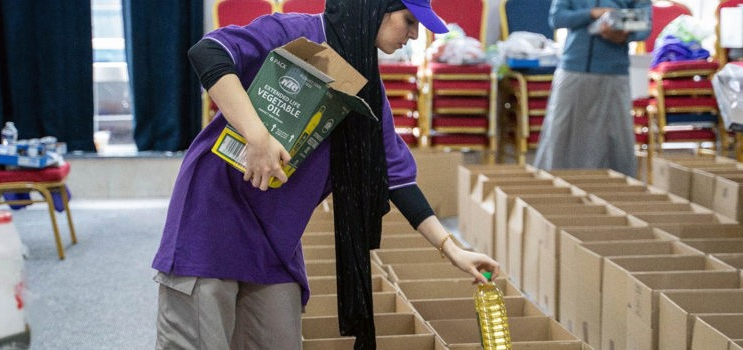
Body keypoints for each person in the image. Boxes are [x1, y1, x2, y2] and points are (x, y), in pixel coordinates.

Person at [151, 0, 501, 349]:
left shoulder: (366, 90)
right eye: (408, 20)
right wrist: (255, 135)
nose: (414, 34)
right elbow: (209, 52)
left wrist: (452, 250)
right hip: (214, 216)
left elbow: (397, 177)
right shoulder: (293, 33)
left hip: (275, 237)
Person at [533, 0, 652, 178]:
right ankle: (554, 190)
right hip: (573, 68)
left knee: (614, 142)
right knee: (560, 138)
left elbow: (645, 24)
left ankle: (612, 197)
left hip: (613, 73)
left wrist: (624, 35)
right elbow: (557, 18)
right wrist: (592, 13)